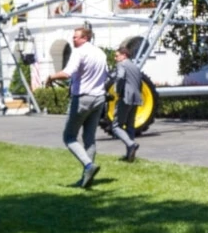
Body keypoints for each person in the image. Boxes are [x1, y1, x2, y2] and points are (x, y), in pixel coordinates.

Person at [46, 26, 108, 188]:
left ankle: (88, 165)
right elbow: (105, 75)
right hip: (99, 98)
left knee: (69, 137)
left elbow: (67, 73)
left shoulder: (79, 52)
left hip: (82, 98)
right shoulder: (100, 53)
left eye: (76, 37)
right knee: (89, 138)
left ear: (85, 38)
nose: (73, 39)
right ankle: (87, 178)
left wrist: (51, 77)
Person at [109, 44, 142, 162]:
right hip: (136, 99)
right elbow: (140, 82)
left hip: (125, 98)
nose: (115, 58)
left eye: (117, 56)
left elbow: (120, 77)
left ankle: (131, 144)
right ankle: (130, 156)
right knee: (130, 126)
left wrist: (117, 90)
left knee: (116, 126)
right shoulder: (135, 67)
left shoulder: (121, 64)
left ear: (124, 55)